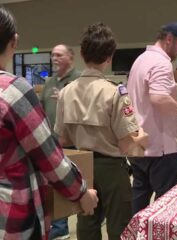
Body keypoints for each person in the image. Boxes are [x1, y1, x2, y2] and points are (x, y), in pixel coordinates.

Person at [0, 7, 98, 240]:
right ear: (14, 42)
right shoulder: (12, 90)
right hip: (11, 218)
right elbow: (49, 158)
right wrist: (81, 192)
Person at [54, 22, 148, 240]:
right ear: (109, 57)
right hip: (112, 168)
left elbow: (62, 138)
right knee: (119, 227)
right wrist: (141, 137)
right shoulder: (115, 92)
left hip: (81, 168)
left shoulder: (66, 93)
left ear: (82, 54)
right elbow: (126, 144)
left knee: (86, 226)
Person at [127, 22, 177, 215]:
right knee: (165, 209)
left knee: (139, 203)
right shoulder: (161, 63)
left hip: (140, 145)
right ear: (169, 39)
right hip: (161, 148)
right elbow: (159, 98)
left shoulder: (140, 60)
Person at [40, 43, 80, 240]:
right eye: (52, 55)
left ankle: (61, 227)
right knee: (50, 186)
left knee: (66, 185)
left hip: (72, 144)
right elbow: (39, 109)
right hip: (50, 144)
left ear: (70, 58)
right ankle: (56, 226)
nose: (54, 58)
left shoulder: (78, 80)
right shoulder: (49, 82)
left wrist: (65, 99)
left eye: (59, 55)